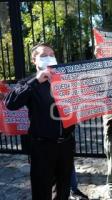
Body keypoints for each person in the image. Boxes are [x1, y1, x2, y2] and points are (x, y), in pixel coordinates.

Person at [5, 43, 75, 200]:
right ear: (34, 60)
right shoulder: (29, 83)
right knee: (41, 189)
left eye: (51, 54)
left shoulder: (66, 80)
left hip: (66, 144)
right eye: (43, 56)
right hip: (42, 147)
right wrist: (35, 81)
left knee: (64, 188)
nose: (49, 58)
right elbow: (11, 104)